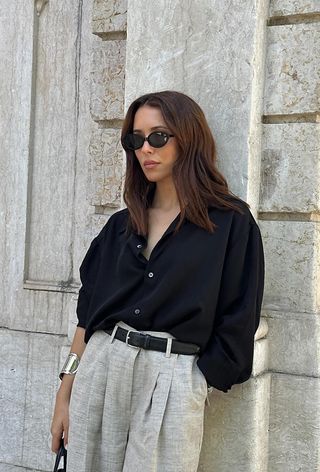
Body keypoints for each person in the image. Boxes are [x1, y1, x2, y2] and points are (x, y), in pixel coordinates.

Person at [50, 90, 264, 472]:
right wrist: (64, 394)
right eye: (136, 140)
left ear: (188, 137)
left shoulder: (231, 223)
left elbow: (239, 313)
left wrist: (196, 380)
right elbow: (89, 315)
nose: (145, 149)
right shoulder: (120, 225)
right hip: (102, 367)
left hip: (173, 378)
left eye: (158, 137)